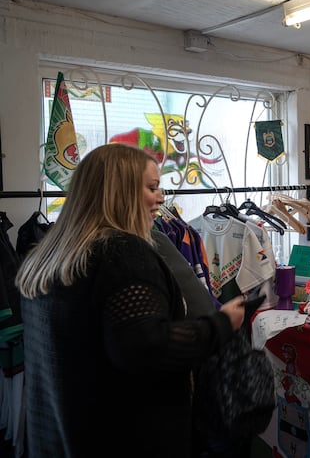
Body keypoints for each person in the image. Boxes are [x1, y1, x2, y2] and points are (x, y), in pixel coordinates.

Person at [16, 143, 246, 458]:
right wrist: (223, 324)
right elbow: (148, 349)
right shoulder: (123, 254)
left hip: (58, 438)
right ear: (120, 191)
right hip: (119, 439)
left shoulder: (47, 258)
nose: (162, 197)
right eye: (152, 187)